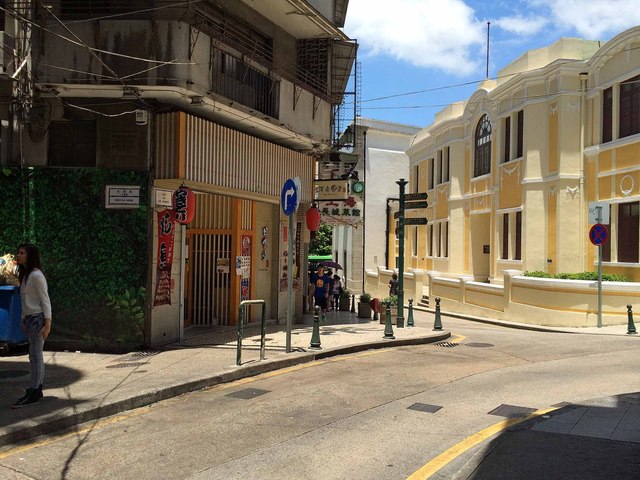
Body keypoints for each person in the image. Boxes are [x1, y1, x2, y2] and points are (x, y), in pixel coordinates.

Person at [12, 244, 52, 408]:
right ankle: (36, 388)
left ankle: (35, 390)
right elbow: (24, 300)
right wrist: (23, 318)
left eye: (22, 253)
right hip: (30, 319)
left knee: (36, 356)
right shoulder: (26, 276)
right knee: (34, 356)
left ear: (30, 255)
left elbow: (45, 299)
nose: (18, 255)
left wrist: (48, 323)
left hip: (37, 319)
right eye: (18, 252)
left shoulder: (36, 275)